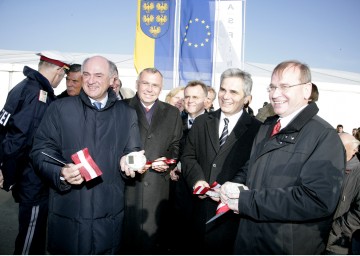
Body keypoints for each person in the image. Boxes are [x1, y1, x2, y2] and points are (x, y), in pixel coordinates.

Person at [219, 60, 345, 254]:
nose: (275, 94)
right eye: (272, 87)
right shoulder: (267, 127)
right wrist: (234, 185)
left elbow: (317, 200)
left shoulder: (323, 136)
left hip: (285, 246)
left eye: (285, 86)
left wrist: (247, 201)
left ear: (306, 90)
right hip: (248, 240)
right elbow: (251, 166)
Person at [29, 55, 143, 254]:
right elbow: (40, 150)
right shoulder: (60, 108)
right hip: (68, 214)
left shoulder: (127, 113)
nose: (91, 81)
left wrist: (129, 162)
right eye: (87, 75)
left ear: (112, 80)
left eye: (99, 75)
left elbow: (132, 151)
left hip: (108, 218)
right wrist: (60, 172)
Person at [181, 68, 261, 254]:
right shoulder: (202, 122)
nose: (226, 96)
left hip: (231, 219)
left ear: (247, 98)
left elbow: (253, 165)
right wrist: (197, 180)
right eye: (223, 90)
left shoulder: (257, 130)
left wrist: (231, 187)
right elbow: (188, 156)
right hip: (197, 215)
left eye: (234, 92)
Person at [0, 50, 73, 254]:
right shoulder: (38, 94)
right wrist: (10, 174)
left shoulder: (23, 86)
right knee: (30, 237)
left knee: (35, 233)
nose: (63, 80)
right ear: (59, 70)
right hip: (32, 177)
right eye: (64, 75)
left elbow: (3, 129)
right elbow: (20, 139)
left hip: (27, 174)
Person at [121, 67, 183, 254]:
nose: (149, 89)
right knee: (126, 242)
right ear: (137, 84)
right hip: (127, 187)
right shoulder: (121, 107)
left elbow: (176, 145)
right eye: (145, 83)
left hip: (158, 188)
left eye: (155, 85)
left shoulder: (172, 113)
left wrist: (168, 162)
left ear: (161, 88)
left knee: (154, 243)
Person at [169, 80, 208, 253]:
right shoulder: (176, 121)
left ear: (206, 100)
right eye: (187, 97)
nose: (190, 101)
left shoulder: (215, 123)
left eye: (195, 97)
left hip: (203, 191)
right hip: (179, 190)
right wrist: (172, 165)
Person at [325, 133, 360, 255]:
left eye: (339, 147)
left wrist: (335, 229)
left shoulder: (357, 174)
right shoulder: (325, 167)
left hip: (337, 244)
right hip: (315, 238)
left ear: (354, 150)